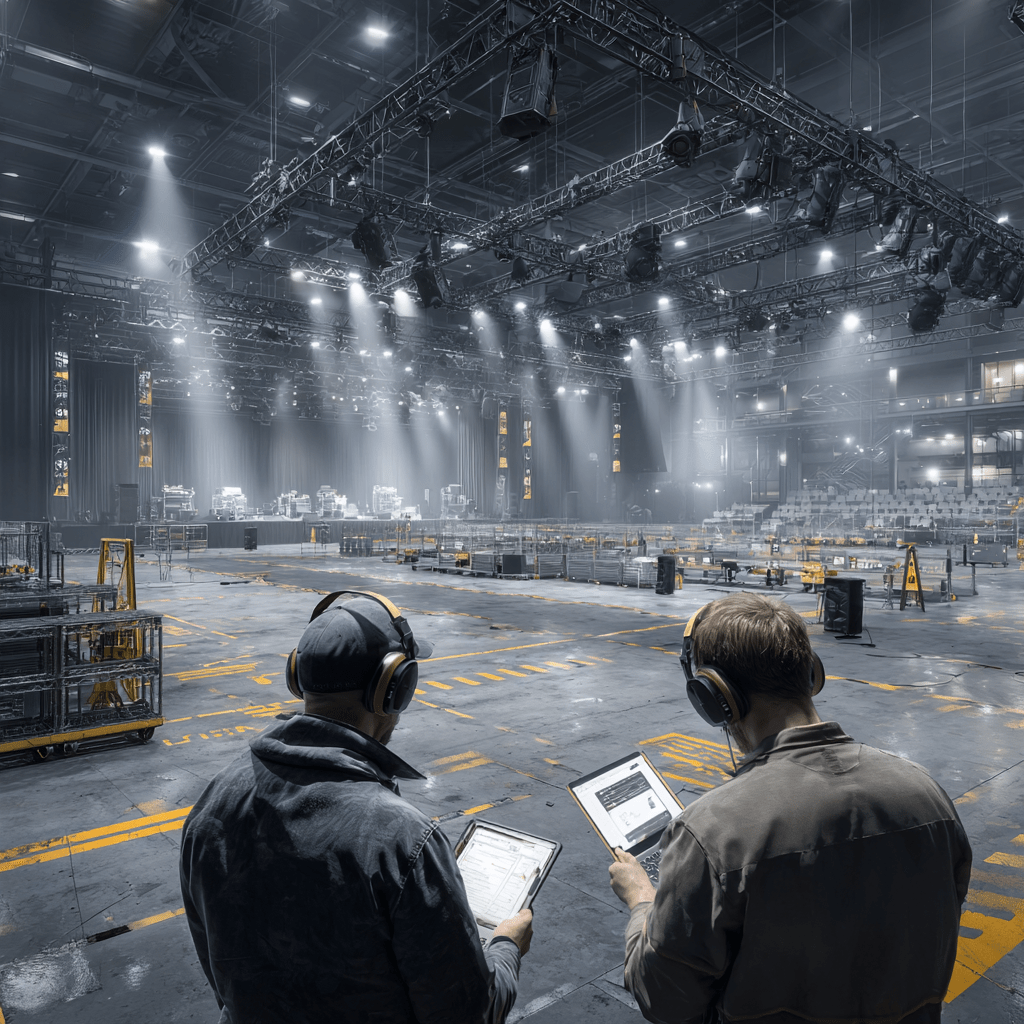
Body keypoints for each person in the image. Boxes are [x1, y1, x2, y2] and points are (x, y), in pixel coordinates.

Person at [608, 593, 972, 1024]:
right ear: (812, 673)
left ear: (714, 695)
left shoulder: (711, 831)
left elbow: (663, 999)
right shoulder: (927, 795)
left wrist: (641, 903)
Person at [180, 590, 533, 1024]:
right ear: (393, 688)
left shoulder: (213, 804)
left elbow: (222, 978)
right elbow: (466, 1014)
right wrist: (506, 947)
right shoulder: (402, 838)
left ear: (298, 675)